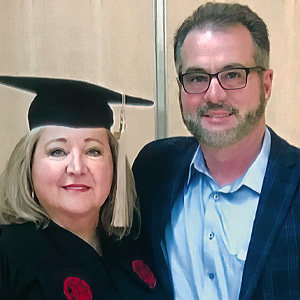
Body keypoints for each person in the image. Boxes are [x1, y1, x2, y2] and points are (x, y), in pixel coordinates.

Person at [133, 2, 300, 300]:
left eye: (233, 74)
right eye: (197, 77)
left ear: (266, 84)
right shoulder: (153, 169)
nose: (214, 95)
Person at [0, 76, 169, 300]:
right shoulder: (8, 253)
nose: (77, 168)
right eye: (57, 151)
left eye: (93, 151)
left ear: (114, 164)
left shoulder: (137, 243)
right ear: (29, 164)